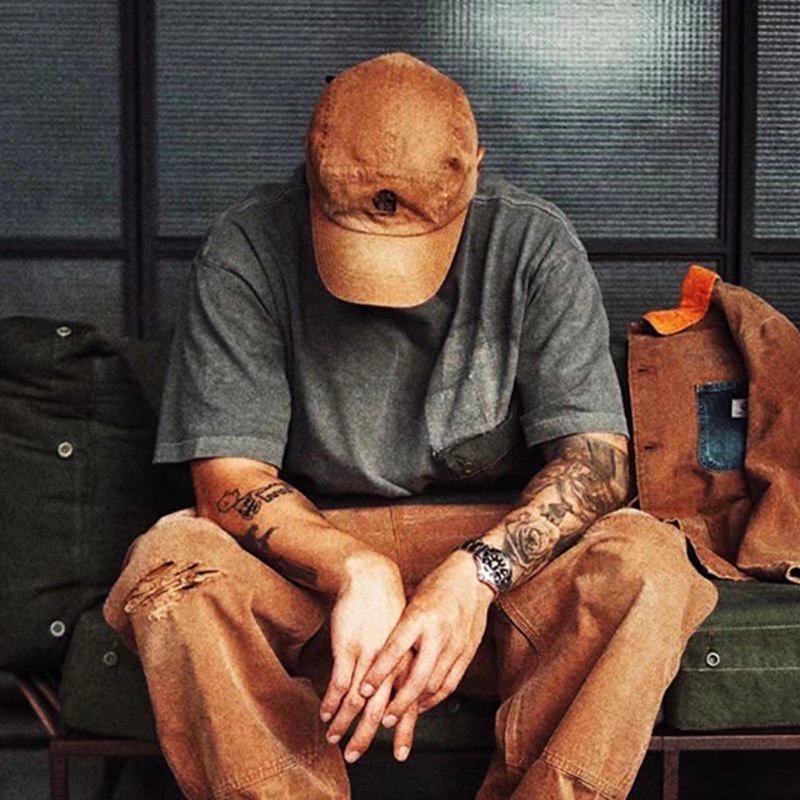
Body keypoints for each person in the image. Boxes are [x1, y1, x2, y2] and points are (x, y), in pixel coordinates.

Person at [104, 52, 717, 799]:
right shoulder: (247, 245)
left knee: (649, 560)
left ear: (476, 167)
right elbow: (227, 481)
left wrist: (476, 575)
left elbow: (597, 462)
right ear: (312, 166)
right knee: (173, 562)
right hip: (314, 563)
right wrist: (354, 569)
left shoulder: (534, 241)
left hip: (496, 566)